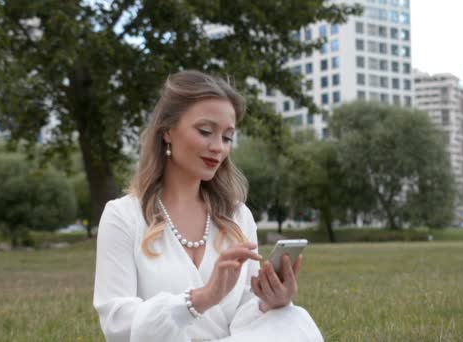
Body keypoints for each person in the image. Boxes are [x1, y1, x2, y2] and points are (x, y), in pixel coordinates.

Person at [93, 70, 323, 341]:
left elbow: (244, 314)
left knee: (293, 318)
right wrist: (199, 300)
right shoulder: (123, 216)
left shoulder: (237, 216)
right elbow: (116, 323)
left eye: (227, 137)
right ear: (167, 131)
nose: (218, 148)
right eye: (205, 131)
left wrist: (268, 303)